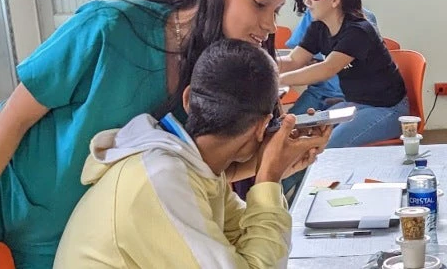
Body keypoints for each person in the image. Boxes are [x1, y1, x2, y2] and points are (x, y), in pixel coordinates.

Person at [0, 0, 298, 268]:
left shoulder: (207, 73)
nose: (270, 26)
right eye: (260, 4)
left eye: (275, 11)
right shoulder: (108, 28)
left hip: (98, 240)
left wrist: (275, 162)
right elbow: (15, 118)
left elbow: (185, 176)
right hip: (23, 223)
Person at [54, 39, 331, 269]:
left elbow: (243, 239)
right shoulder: (160, 179)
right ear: (261, 127)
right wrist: (269, 177)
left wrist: (272, 170)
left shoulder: (194, 166)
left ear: (187, 99)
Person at [278, 0, 408, 148]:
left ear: (335, 0)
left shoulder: (358, 30)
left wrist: (279, 79)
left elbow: (327, 68)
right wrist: (260, 66)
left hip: (387, 110)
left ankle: (325, 177)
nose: (307, 1)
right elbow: (293, 61)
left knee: (326, 147)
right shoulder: (318, 28)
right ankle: (294, 177)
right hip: (355, 104)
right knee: (300, 136)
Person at [284, 0, 380, 115]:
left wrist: (279, 78)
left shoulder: (361, 23)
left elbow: (329, 66)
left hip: (349, 94)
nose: (308, 3)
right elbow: (296, 58)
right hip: (319, 89)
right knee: (288, 123)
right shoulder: (313, 16)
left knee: (323, 129)